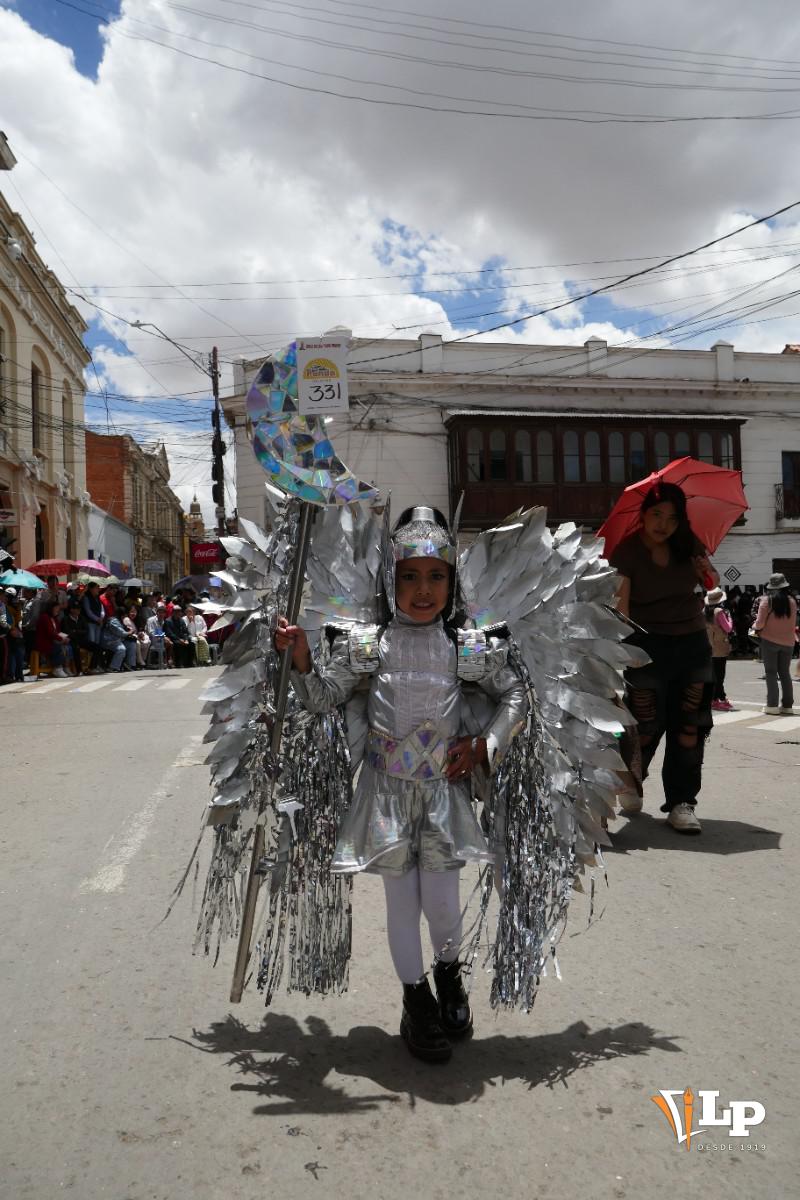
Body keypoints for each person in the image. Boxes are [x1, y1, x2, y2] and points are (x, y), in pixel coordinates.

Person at [275, 506, 528, 1062]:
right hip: (386, 793)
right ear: (390, 581)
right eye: (409, 576)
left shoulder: (468, 645)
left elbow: (515, 696)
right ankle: (416, 1002)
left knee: (442, 902)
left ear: (452, 582)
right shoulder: (367, 644)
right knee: (401, 903)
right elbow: (321, 698)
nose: (422, 590)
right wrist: (299, 660)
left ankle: (448, 978)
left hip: (444, 791)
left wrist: (485, 743)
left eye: (436, 576)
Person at [611, 482, 719, 835]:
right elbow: (622, 610)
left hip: (691, 645)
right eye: (656, 515)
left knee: (689, 727)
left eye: (672, 518)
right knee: (645, 724)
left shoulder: (688, 545)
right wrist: (622, 654)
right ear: (643, 515)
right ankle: (631, 780)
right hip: (646, 646)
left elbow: (711, 586)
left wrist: (708, 573)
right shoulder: (627, 552)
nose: (663, 524)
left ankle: (682, 802)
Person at [752, 573, 797, 715]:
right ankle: (788, 706)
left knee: (771, 673)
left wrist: (753, 627)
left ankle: (772, 705)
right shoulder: (792, 601)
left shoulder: (766, 601)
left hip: (769, 641)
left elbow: (759, 623)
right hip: (789, 642)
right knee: (785, 673)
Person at [704, 586, 735, 712]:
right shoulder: (720, 612)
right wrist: (730, 618)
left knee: (711, 674)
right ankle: (717, 699)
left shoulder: (704, 611)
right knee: (720, 674)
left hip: (708, 647)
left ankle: (715, 698)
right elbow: (728, 628)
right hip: (720, 647)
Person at [34, 599, 69, 677]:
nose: (58, 610)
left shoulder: (54, 618)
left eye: (58, 608)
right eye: (56, 608)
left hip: (52, 640)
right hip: (45, 642)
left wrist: (65, 637)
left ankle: (65, 667)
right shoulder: (44, 617)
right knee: (57, 647)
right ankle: (57, 668)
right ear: (51, 608)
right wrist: (61, 639)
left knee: (68, 647)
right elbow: (50, 633)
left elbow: (58, 631)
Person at [81, 581, 105, 672]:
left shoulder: (98, 598)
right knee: (92, 644)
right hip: (90, 623)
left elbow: (102, 609)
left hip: (98, 623)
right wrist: (97, 619)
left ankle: (95, 665)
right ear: (91, 588)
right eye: (96, 587)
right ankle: (90, 666)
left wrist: (101, 618)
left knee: (97, 644)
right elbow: (88, 612)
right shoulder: (86, 598)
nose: (98, 589)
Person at [2, 588, 25, 682]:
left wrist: (18, 608)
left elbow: (17, 620)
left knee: (19, 653)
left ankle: (18, 674)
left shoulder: (11, 607)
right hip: (7, 633)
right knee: (10, 655)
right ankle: (9, 675)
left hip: (15, 632)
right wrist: (11, 629)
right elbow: (3, 622)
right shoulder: (4, 607)